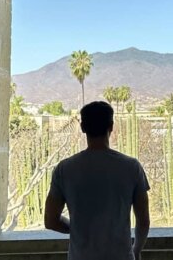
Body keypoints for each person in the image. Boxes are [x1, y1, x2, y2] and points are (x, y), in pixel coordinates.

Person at [44, 101, 151, 260]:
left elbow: (50, 221)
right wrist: (136, 250)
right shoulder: (131, 167)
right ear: (111, 126)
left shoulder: (64, 169)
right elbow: (143, 221)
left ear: (82, 127)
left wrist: (77, 228)